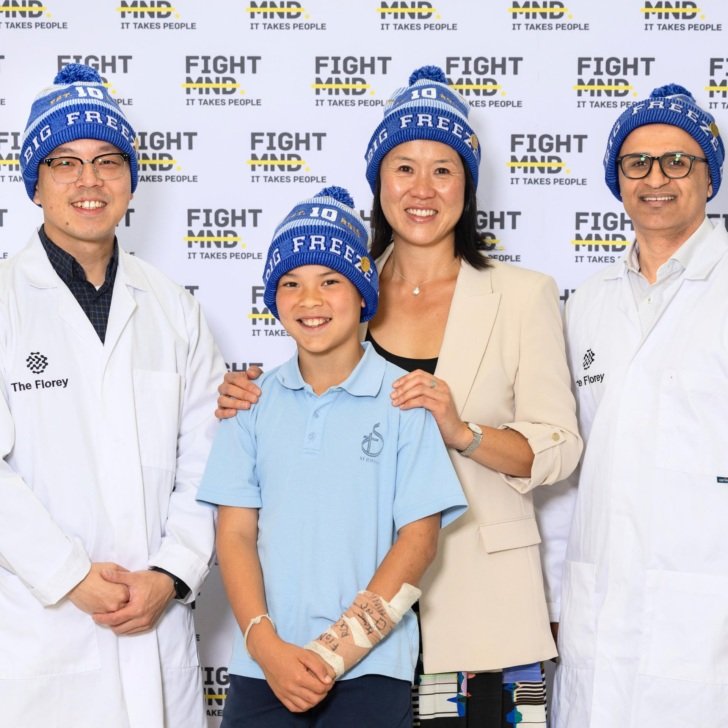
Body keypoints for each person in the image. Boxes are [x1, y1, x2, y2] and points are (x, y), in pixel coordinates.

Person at [216, 66, 582, 728]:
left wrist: (461, 428)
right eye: (404, 168)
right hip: (351, 616)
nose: (422, 189)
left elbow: (559, 447)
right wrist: (244, 393)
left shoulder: (524, 293)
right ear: (378, 181)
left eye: (443, 170)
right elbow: (306, 397)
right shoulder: (339, 288)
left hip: (483, 608)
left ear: (467, 185)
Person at [0, 64, 225, 727]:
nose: (89, 180)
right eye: (65, 163)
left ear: (130, 180)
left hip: (158, 631)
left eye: (106, 161)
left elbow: (209, 461)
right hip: (42, 635)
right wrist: (70, 574)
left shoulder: (174, 308)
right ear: (35, 185)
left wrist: (171, 572)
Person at [197, 185, 468, 727]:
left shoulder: (403, 401)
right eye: (291, 284)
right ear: (273, 300)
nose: (310, 300)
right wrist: (266, 646)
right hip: (262, 667)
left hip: (369, 667)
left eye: (330, 281)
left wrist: (335, 651)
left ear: (363, 293)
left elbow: (418, 539)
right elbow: (235, 535)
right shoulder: (248, 403)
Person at [547, 84, 727, 727]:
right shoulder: (586, 303)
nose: (657, 179)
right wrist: (551, 589)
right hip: (600, 604)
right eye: (637, 163)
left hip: (709, 603)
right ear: (617, 180)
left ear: (709, 178)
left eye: (678, 161)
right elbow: (568, 463)